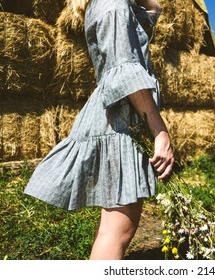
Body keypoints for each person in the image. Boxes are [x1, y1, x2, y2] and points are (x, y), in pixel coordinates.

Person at [24, 0, 174, 260]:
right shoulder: (113, 4)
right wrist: (159, 130)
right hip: (120, 123)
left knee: (113, 229)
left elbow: (154, 9)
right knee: (117, 232)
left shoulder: (110, 4)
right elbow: (125, 71)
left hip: (118, 119)